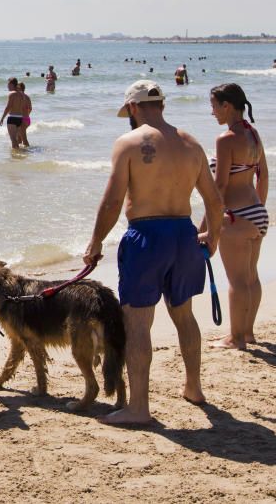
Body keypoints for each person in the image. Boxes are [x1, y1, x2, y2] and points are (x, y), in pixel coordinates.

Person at [83, 80, 224, 425]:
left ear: (132, 107)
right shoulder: (191, 143)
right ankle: (194, 387)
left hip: (146, 237)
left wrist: (95, 242)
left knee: (138, 323)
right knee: (184, 315)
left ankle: (139, 408)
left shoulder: (129, 143)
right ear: (161, 105)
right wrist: (213, 238)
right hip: (183, 234)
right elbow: (214, 200)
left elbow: (113, 201)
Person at [204, 84, 268, 349]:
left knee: (237, 280)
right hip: (256, 212)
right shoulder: (253, 135)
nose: (212, 112)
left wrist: (208, 226)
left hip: (236, 216)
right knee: (251, 277)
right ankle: (248, 333)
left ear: (226, 106)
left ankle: (236, 338)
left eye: (214, 105)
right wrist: (258, 212)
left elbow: (219, 187)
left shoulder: (225, 139)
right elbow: (263, 175)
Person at [0, 77, 29, 149]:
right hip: (20, 119)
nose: (7, 86)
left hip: (12, 118)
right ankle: (20, 154)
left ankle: (16, 156)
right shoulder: (22, 95)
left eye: (8, 84)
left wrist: (2, 118)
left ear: (12, 84)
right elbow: (25, 108)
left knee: (13, 140)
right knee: (17, 139)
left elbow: (8, 107)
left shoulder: (12, 94)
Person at [17, 81, 33, 147]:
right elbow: (30, 108)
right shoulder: (27, 97)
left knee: (24, 139)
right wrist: (27, 115)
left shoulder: (19, 97)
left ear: (20, 88)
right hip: (27, 119)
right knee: (19, 137)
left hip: (22, 120)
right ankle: (20, 152)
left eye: (17, 88)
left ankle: (28, 152)